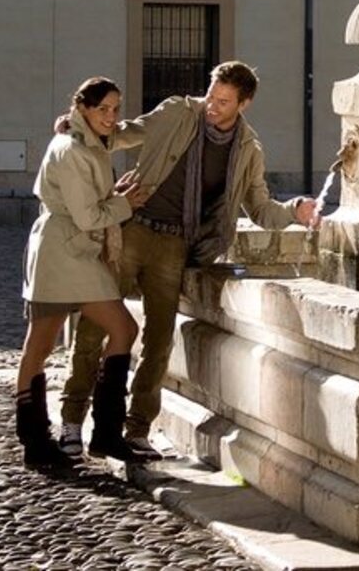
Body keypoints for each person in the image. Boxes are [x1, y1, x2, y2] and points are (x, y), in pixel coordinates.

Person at [58, 61, 318, 460]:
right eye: (211, 95)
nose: (212, 106)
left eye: (223, 101)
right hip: (132, 229)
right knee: (95, 327)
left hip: (176, 245)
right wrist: (83, 128)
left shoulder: (247, 149)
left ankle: (137, 431)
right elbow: (129, 133)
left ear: (244, 104)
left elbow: (261, 208)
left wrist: (295, 210)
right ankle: (72, 423)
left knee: (160, 341)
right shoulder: (180, 111)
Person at [16, 76, 149, 466]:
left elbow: (94, 199)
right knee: (38, 347)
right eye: (103, 109)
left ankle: (106, 434)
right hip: (61, 252)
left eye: (115, 109)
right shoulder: (71, 149)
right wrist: (125, 204)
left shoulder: (90, 141)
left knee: (123, 329)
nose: (111, 117)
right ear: (84, 109)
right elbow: (88, 215)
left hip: (77, 251)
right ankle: (35, 442)